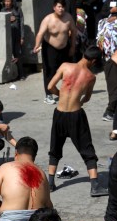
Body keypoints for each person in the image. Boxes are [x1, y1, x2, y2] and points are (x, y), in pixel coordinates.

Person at [45, 45, 105, 197]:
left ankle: (50, 183)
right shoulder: (91, 77)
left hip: (59, 113)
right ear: (93, 60)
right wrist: (78, 100)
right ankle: (95, 186)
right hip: (76, 115)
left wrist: (62, 96)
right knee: (87, 149)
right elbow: (87, 98)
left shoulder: (65, 66)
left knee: (55, 147)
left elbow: (50, 86)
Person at [34, 0, 76, 105]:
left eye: (63, 7)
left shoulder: (68, 17)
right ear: (54, 7)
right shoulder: (48, 19)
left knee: (67, 71)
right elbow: (40, 34)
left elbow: (74, 32)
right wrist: (37, 45)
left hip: (65, 48)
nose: (61, 9)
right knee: (50, 71)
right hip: (50, 48)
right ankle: (48, 94)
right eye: (59, 7)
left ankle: (67, 92)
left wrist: (72, 47)